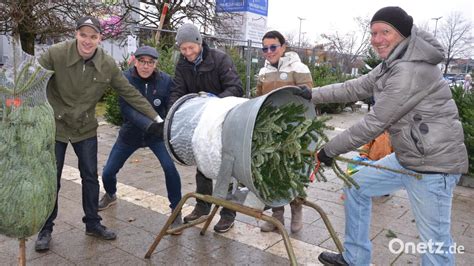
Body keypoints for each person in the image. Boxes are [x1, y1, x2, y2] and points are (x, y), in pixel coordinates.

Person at [312, 7, 468, 265]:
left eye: (386, 32)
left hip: (433, 166)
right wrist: (311, 94)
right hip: (409, 157)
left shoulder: (410, 69)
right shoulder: (393, 63)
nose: (377, 39)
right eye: (373, 32)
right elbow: (355, 86)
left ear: (403, 35)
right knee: (357, 186)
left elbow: (375, 122)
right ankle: (355, 258)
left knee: (434, 244)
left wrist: (330, 149)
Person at [34, 16, 161, 252]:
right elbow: (32, 80)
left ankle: (93, 223)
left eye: (93, 36)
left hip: (85, 127)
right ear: (76, 34)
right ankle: (45, 229)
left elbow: (129, 93)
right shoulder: (55, 54)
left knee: (90, 177)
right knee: (52, 179)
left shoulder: (107, 64)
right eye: (83, 35)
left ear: (100, 39)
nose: (87, 41)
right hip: (56, 126)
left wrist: (156, 117)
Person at [97, 46, 183, 232]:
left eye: (150, 62)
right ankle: (111, 195)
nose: (146, 66)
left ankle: (176, 210)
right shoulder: (125, 79)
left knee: (170, 168)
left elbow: (171, 105)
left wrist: (168, 126)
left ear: (155, 64)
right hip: (131, 134)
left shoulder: (165, 81)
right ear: (135, 61)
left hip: (157, 136)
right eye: (142, 61)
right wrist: (149, 125)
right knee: (108, 172)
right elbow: (127, 108)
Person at [168, 23, 243, 233]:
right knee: (202, 161)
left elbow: (235, 87)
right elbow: (177, 91)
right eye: (183, 49)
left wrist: (215, 102)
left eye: (191, 48)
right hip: (200, 121)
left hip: (224, 119)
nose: (187, 53)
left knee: (225, 165)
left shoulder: (220, 59)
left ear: (199, 42)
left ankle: (228, 214)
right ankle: (202, 206)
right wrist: (172, 115)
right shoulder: (182, 65)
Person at [255, 30, 313, 234]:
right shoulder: (263, 72)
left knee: (293, 170)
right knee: (271, 171)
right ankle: (276, 214)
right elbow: (258, 99)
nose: (269, 52)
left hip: (294, 130)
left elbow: (308, 99)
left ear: (283, 47)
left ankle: (297, 208)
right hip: (270, 131)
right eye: (265, 48)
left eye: (273, 47)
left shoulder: (299, 68)